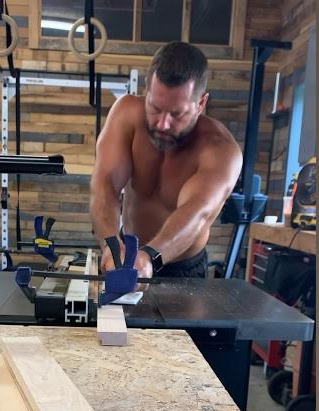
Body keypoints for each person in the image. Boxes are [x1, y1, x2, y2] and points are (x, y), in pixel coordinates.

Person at [90, 41, 242, 280]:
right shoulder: (127, 114)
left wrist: (150, 256)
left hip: (183, 269)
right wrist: (111, 245)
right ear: (147, 90)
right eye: (155, 107)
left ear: (201, 103)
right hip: (126, 254)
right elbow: (104, 185)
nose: (162, 124)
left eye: (176, 114)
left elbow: (196, 212)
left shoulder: (220, 150)